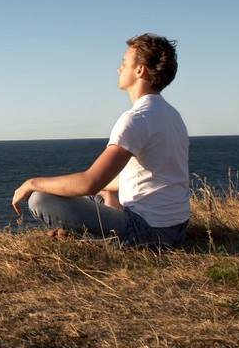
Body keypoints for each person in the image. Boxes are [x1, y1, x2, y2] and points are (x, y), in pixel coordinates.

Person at [11, 34, 190, 249]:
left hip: (147, 232)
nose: (119, 68)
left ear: (140, 70)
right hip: (176, 228)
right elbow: (144, 177)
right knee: (94, 193)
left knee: (41, 199)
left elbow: (89, 182)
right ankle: (102, 221)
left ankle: (102, 240)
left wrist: (32, 183)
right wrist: (104, 191)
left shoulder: (136, 118)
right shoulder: (172, 115)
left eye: (124, 63)